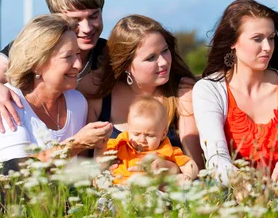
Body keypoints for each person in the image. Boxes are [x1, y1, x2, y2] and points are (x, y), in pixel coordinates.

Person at [192, 0, 278, 215]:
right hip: (237, 195)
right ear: (232, 42)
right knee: (212, 186)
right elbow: (216, 158)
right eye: (257, 39)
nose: (267, 47)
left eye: (271, 38)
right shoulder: (209, 90)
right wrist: (240, 181)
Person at [0, 14, 111, 177]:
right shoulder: (6, 101)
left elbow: (72, 172)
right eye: (68, 57)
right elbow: (17, 175)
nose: (78, 64)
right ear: (37, 64)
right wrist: (77, 144)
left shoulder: (77, 102)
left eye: (78, 54)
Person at [0, 0, 108, 136]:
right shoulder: (29, 48)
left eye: (93, 16)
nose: (87, 28)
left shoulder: (109, 54)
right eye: (75, 19)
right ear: (56, 17)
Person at [87, 15, 205, 170]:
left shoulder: (181, 92)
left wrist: (169, 169)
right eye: (151, 58)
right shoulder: (99, 98)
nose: (163, 62)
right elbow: (84, 165)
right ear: (126, 65)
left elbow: (196, 166)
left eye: (165, 51)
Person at [102, 96, 198, 185]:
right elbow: (100, 156)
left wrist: (187, 176)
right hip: (119, 189)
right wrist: (103, 168)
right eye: (136, 134)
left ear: (163, 134)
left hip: (152, 193)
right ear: (128, 128)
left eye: (149, 135)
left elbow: (190, 165)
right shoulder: (119, 144)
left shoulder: (167, 151)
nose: (142, 140)